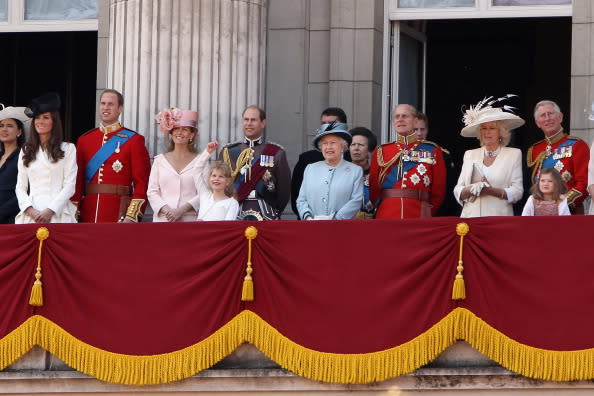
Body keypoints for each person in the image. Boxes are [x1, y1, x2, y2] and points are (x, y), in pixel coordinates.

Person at [72, 89, 151, 222]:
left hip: (118, 211)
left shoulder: (134, 140)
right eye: (103, 103)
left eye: (111, 104)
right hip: (88, 212)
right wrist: (75, 210)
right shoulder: (84, 140)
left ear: (120, 109)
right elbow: (77, 181)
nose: (106, 107)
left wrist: (131, 216)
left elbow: (142, 183)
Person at [369, 104, 446, 219]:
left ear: (415, 121)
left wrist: (426, 212)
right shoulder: (382, 151)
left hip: (418, 213)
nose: (400, 119)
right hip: (387, 213)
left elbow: (438, 191)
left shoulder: (432, 150)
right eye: (397, 117)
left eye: (405, 116)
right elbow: (374, 190)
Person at [454, 96, 524, 218]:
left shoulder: (513, 154)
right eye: (484, 128)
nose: (487, 132)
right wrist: (470, 190)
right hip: (471, 219)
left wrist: (491, 191)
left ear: (501, 132)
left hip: (499, 220)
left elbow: (518, 192)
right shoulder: (469, 154)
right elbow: (458, 189)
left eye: (492, 128)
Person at [219, 105, 290, 220]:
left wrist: (274, 209)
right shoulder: (228, 152)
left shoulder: (276, 153)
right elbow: (219, 185)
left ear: (263, 123)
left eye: (253, 120)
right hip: (234, 213)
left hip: (266, 213)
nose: (249, 123)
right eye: (246, 120)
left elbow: (284, 192)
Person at [15, 92, 77, 224]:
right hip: (31, 216)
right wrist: (30, 210)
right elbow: (20, 186)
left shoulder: (68, 149)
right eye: (37, 118)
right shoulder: (26, 150)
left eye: (46, 117)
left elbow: (70, 186)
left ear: (54, 121)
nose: (40, 122)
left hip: (58, 214)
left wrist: (50, 210)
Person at [148, 108, 217, 222]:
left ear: (192, 134)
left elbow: (206, 191)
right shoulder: (159, 160)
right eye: (176, 129)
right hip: (163, 220)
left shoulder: (201, 161)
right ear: (171, 132)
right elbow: (152, 191)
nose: (179, 133)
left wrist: (181, 210)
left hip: (190, 220)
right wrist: (167, 210)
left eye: (184, 129)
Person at [527, 100, 589, 214]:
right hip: (540, 212)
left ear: (560, 117)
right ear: (537, 123)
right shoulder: (535, 150)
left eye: (550, 113)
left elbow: (584, 183)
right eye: (543, 115)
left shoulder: (577, 145)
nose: (547, 118)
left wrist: (561, 204)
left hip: (569, 212)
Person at [291, 107, 350, 218]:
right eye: (323, 124)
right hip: (311, 224)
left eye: (332, 123)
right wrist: (308, 218)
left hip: (344, 225)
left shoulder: (353, 161)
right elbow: (297, 196)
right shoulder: (307, 160)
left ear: (344, 127)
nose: (327, 127)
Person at [296, 122, 363, 220]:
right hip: (312, 226)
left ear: (342, 147)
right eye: (324, 143)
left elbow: (356, 200)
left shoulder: (355, 171)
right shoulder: (310, 169)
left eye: (333, 143)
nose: (328, 147)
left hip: (341, 228)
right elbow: (301, 200)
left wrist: (335, 219)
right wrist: (308, 218)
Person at [415, 112, 458, 217]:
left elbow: (449, 189)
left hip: (435, 211)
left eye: (422, 129)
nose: (419, 133)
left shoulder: (442, 155)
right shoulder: (400, 154)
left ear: (427, 130)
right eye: (415, 129)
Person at [0, 106, 28, 224]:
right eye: (1, 126)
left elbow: (27, 189)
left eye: (9, 126)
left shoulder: (25, 156)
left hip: (13, 217)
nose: (4, 129)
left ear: (19, 132)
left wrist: (2, 212)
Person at [349, 126, 377, 219]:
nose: (356, 148)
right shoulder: (341, 173)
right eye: (353, 145)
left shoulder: (377, 173)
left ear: (369, 149)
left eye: (361, 145)